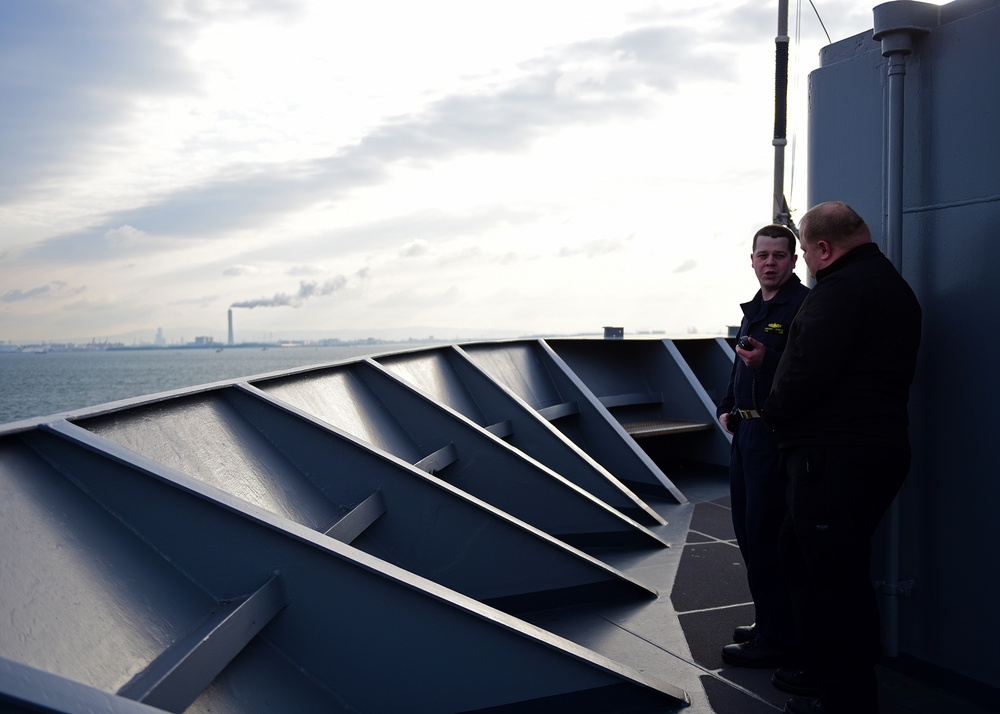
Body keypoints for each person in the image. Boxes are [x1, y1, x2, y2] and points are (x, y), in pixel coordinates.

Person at [763, 202, 921, 714]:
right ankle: (815, 667)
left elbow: (806, 370)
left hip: (832, 456)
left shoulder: (842, 290)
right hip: (867, 449)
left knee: (836, 581)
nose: (805, 259)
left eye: (804, 250)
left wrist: (772, 416)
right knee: (803, 556)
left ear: (823, 250)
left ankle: (845, 699)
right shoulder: (890, 286)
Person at [717, 223, 809, 668]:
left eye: (779, 255)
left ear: (795, 261)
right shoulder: (756, 307)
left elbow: (807, 374)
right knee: (748, 536)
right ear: (751, 260)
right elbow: (740, 367)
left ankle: (779, 637)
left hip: (775, 438)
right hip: (746, 435)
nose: (770, 262)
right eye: (763, 255)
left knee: (768, 538)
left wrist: (767, 361)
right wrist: (727, 404)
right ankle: (768, 619)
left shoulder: (802, 307)